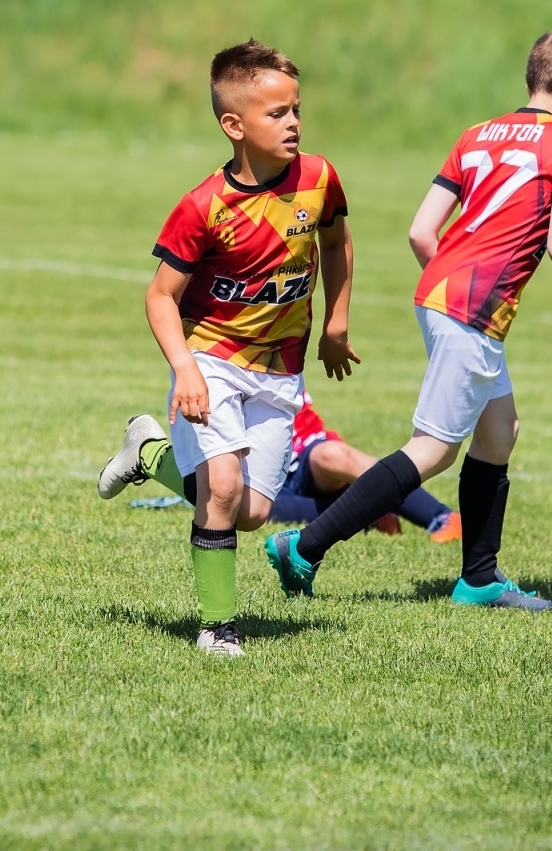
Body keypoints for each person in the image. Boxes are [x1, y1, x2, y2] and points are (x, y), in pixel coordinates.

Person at [264, 27, 552, 611]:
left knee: (500, 431)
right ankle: (305, 545)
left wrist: (453, 280)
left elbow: (421, 231)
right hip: (473, 309)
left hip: (440, 293)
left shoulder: (477, 133)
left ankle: (478, 578)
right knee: (433, 450)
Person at [129, 39, 356, 657]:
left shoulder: (319, 179)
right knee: (222, 489)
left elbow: (335, 245)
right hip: (212, 359)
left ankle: (150, 456)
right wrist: (185, 370)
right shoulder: (203, 208)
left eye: (296, 110)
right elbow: (159, 298)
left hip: (280, 370)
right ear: (234, 125)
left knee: (254, 510)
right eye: (276, 113)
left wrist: (336, 322)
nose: (294, 123)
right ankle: (217, 627)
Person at [100, 392, 462, 540]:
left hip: (303, 455)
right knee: (247, 510)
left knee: (334, 455)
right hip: (253, 474)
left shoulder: (281, 319)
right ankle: (363, 508)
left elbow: (336, 243)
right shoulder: (216, 342)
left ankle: (442, 517)